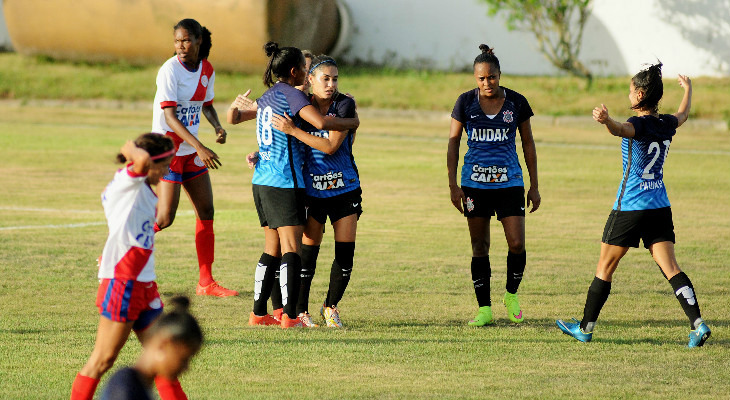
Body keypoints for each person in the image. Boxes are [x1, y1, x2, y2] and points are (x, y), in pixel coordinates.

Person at [556, 63, 711, 347]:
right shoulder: (665, 124)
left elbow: (621, 129)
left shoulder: (637, 124)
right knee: (671, 267)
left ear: (640, 95)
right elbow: (683, 114)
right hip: (659, 207)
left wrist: (606, 121)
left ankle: (585, 328)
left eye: (630, 91)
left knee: (604, 267)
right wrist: (688, 89)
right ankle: (698, 324)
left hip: (630, 207)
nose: (628, 95)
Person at [246, 42, 359, 328]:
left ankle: (328, 307)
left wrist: (351, 121)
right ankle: (295, 313)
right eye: (325, 78)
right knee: (299, 254)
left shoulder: (344, 104)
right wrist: (262, 152)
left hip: (344, 189)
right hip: (309, 191)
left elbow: (331, 146)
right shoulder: (299, 103)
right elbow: (279, 135)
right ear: (307, 78)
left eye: (335, 79)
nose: (331, 84)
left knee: (344, 257)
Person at [71, 134, 191, 400]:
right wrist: (132, 149)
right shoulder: (129, 182)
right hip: (123, 283)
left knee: (165, 365)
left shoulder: (142, 186)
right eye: (166, 164)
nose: (169, 170)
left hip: (145, 285)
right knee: (102, 361)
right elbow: (142, 158)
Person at [447, 44, 540, 327]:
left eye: (492, 77)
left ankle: (511, 295)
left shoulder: (517, 102)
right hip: (474, 185)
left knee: (517, 242)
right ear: (475, 79)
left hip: (509, 183)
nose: (487, 83)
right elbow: (453, 144)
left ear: (500, 75)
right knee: (480, 246)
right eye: (481, 78)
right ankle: (484, 308)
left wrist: (534, 185)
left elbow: (527, 143)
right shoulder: (464, 103)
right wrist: (453, 185)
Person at [151, 18, 237, 297]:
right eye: (177, 41)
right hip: (168, 152)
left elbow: (206, 105)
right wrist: (201, 147)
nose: (180, 46)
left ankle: (206, 282)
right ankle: (119, 253)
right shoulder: (169, 70)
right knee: (164, 218)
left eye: (186, 40)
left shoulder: (207, 69)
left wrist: (217, 126)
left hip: (191, 152)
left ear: (199, 41)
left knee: (207, 211)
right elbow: (170, 117)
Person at [227, 50, 314, 324]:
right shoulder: (291, 96)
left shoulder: (268, 97)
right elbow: (320, 123)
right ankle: (289, 317)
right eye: (305, 69)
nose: (308, 75)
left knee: (272, 247)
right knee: (291, 248)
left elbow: (235, 118)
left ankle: (258, 313)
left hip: (262, 181)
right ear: (294, 72)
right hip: (284, 181)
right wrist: (349, 119)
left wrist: (234, 110)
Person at [99, 296, 203, 400]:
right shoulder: (125, 390)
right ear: (163, 344)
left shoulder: (138, 385)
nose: (186, 368)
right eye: (184, 359)